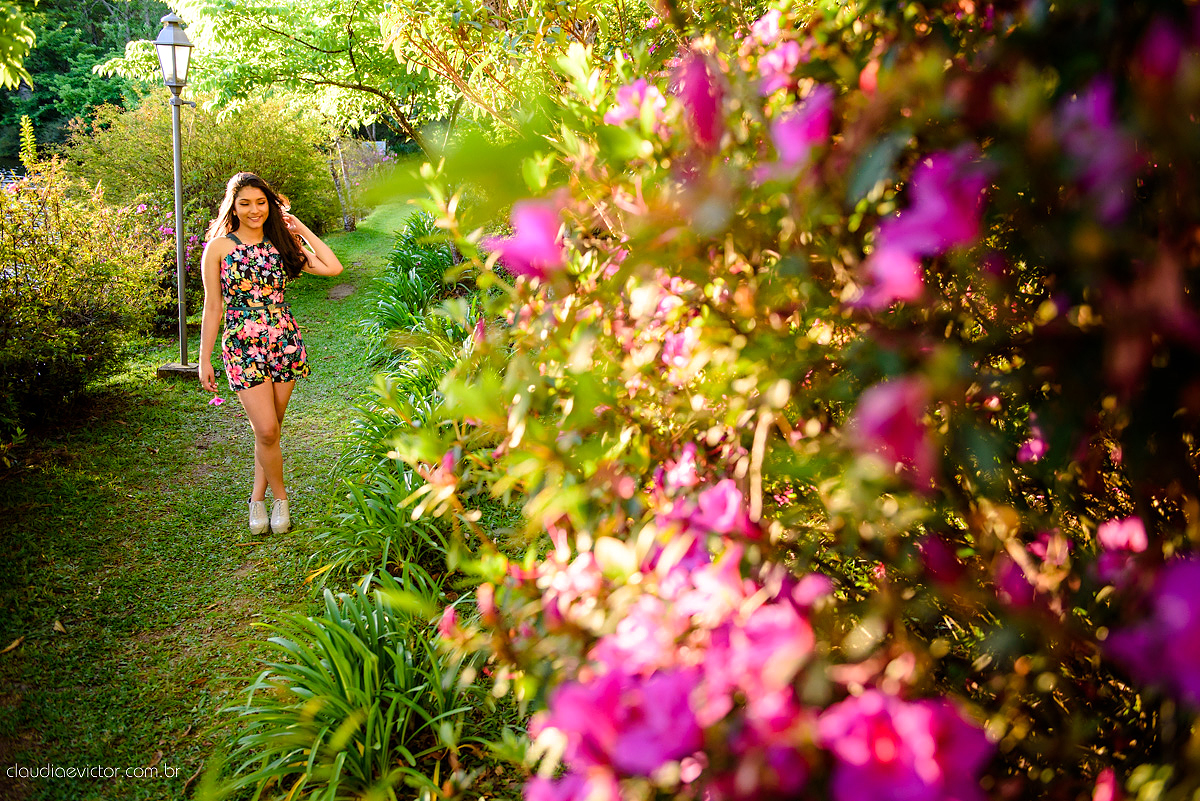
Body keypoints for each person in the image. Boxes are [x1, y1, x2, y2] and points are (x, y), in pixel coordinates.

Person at [198, 172, 344, 535]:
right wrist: (204, 359)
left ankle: (256, 498)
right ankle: (281, 499)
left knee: (271, 431)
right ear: (233, 207)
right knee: (265, 429)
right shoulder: (218, 248)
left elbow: (333, 267)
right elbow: (213, 307)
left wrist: (301, 228)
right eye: (245, 203)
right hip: (241, 344)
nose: (254, 210)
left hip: (283, 341)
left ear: (270, 205)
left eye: (261, 202)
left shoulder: (281, 243)